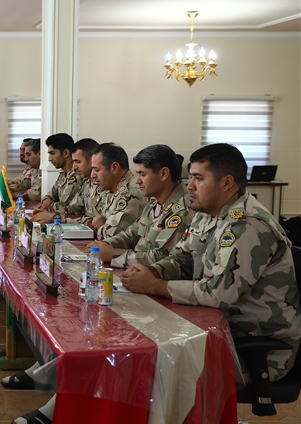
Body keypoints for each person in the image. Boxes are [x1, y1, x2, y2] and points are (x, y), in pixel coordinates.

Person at [122, 143, 300, 381]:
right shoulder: (208, 213)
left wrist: (154, 285)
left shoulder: (247, 225)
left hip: (253, 347)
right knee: (137, 342)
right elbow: (183, 257)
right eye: (190, 177)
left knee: (155, 369)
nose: (189, 186)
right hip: (214, 327)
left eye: (198, 178)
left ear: (226, 183)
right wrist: (151, 272)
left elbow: (218, 293)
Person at [91, 144, 192, 268]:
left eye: (142, 174)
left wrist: (114, 255)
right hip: (136, 270)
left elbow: (163, 258)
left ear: (164, 174)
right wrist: (104, 245)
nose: (137, 180)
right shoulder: (154, 203)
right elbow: (131, 234)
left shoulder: (184, 210)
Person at [88, 143, 145, 240]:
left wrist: (99, 224)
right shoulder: (107, 189)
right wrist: (99, 223)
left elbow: (111, 235)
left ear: (114, 168)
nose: (92, 175)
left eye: (96, 170)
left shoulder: (131, 192)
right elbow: (87, 218)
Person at [32, 133, 84, 224]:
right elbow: (50, 195)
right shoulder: (63, 173)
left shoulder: (76, 175)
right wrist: (46, 201)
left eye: (52, 153)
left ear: (66, 153)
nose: (49, 159)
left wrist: (48, 207)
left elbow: (66, 205)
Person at [63, 138, 103, 224]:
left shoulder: (103, 184)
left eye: (77, 161)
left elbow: (93, 221)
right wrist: (53, 216)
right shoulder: (86, 182)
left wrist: (61, 219)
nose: (74, 167)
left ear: (92, 160)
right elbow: (72, 209)